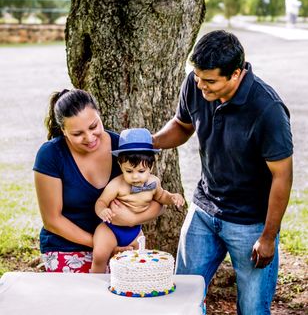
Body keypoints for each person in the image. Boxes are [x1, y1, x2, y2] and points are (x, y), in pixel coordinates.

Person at [153, 30, 293, 314]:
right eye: (197, 77)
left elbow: (283, 176)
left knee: (252, 309)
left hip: (250, 223)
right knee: (181, 300)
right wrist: (151, 142)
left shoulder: (267, 109)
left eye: (210, 81)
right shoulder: (196, 84)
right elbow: (183, 126)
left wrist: (268, 236)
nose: (201, 86)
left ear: (236, 74)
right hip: (204, 211)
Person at [33, 89, 162, 273]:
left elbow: (155, 198)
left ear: (99, 115)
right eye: (78, 134)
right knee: (85, 299)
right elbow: (52, 220)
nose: (90, 138)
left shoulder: (122, 149)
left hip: (120, 243)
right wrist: (102, 245)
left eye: (94, 126)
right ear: (63, 130)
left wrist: (134, 219)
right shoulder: (51, 155)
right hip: (66, 247)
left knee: (129, 294)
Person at [91, 128, 184, 273]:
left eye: (141, 171)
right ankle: (95, 280)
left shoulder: (154, 182)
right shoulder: (117, 184)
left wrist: (172, 198)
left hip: (135, 232)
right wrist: (103, 210)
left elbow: (161, 196)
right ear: (121, 166)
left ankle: (128, 284)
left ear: (151, 167)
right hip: (110, 229)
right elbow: (101, 201)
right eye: (129, 171)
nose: (135, 177)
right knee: (100, 255)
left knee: (136, 260)